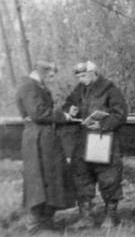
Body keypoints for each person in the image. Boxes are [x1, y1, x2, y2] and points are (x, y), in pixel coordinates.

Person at [63, 61, 128, 229]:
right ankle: (86, 217)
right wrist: (69, 110)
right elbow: (68, 103)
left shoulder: (109, 89)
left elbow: (120, 113)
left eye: (83, 75)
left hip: (103, 138)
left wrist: (103, 124)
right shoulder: (79, 89)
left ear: (94, 73)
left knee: (109, 177)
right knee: (81, 176)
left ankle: (111, 216)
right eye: (78, 76)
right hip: (83, 140)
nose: (80, 79)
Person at [16, 61, 75, 233]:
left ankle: (46, 221)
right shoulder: (29, 87)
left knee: (50, 177)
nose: (51, 78)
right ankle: (35, 225)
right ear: (41, 71)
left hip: (44, 138)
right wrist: (62, 115)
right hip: (37, 139)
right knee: (38, 179)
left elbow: (39, 112)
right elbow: (38, 113)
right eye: (49, 75)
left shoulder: (36, 86)